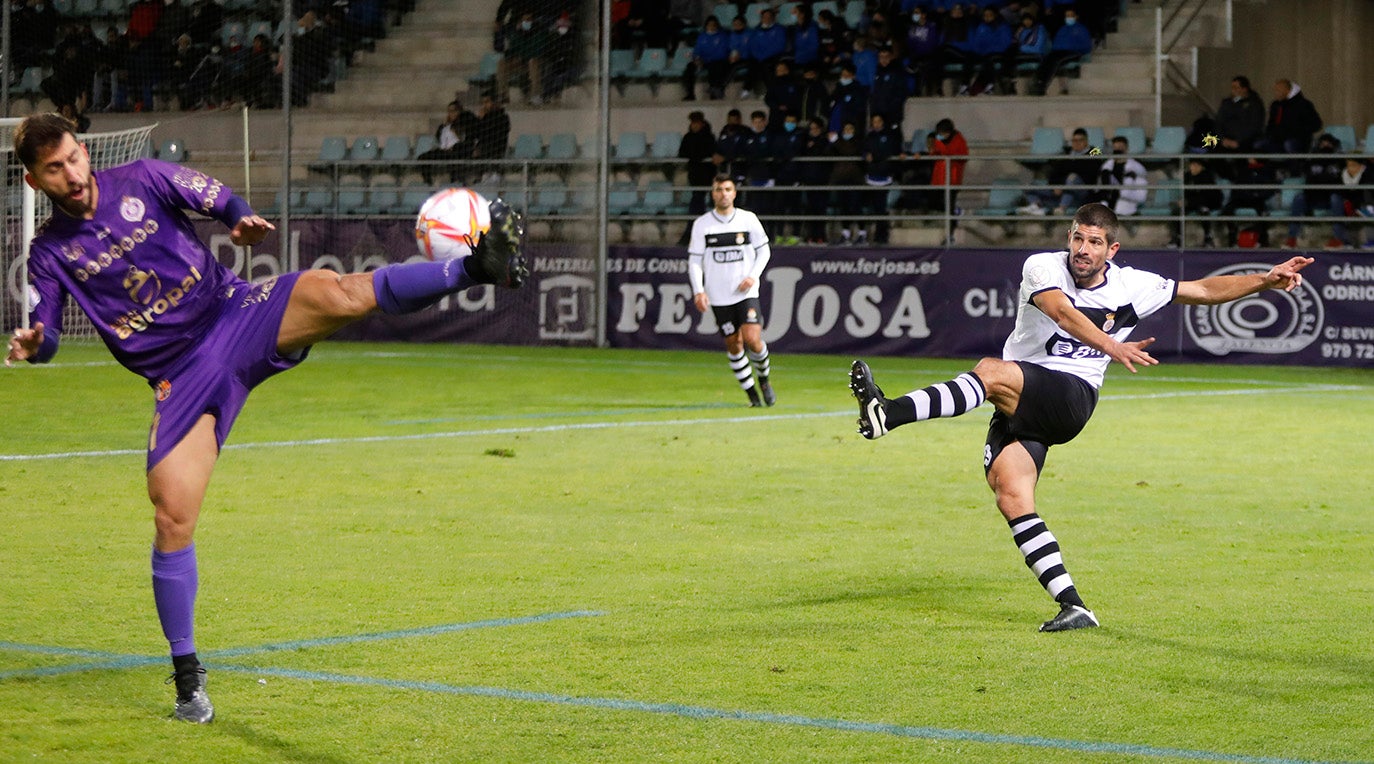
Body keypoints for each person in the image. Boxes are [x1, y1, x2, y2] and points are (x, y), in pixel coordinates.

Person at [5, 112, 528, 723]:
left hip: (235, 313)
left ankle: (474, 268)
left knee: (337, 292)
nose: (71, 174)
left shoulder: (143, 177)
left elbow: (212, 195)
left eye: (73, 157)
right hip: (179, 376)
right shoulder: (49, 252)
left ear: (84, 151)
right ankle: (188, 679)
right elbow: (48, 331)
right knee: (171, 514)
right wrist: (36, 343)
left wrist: (239, 219)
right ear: (33, 180)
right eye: (53, 169)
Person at [848, 203, 1314, 632]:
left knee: (990, 372)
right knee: (1011, 493)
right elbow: (1062, 312)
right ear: (1068, 238)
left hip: (1070, 395)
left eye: (1094, 242)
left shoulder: (1133, 285)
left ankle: (888, 413)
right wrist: (1113, 344)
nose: (1083, 250)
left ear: (1111, 249)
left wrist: (1264, 279)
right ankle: (1074, 606)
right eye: (1077, 239)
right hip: (1026, 397)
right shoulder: (1042, 267)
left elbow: (1205, 289)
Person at [687, 174, 775, 407]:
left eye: (727, 189)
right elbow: (695, 260)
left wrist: (752, 276)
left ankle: (764, 379)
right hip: (718, 295)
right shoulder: (702, 225)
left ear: (734, 193)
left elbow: (764, 251)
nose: (723, 193)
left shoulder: (748, 220)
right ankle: (752, 394)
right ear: (712, 193)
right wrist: (699, 290)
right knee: (734, 344)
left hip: (745, 293)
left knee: (753, 339)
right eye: (718, 189)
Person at [1018, 127, 1097, 216]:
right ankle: (1037, 206)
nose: (1077, 143)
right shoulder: (1066, 153)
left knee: (1072, 178)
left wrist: (1069, 170)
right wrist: (1056, 185)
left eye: (1080, 140)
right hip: (1063, 189)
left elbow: (1087, 171)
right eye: (1074, 141)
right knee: (1029, 186)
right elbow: (1056, 171)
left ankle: (1062, 208)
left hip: (1082, 191)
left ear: (1086, 141)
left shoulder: (1094, 152)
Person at [1032, 6, 1092, 95]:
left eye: (1071, 16)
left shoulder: (1081, 29)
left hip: (1074, 52)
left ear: (1076, 17)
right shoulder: (1062, 29)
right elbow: (1056, 43)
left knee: (1055, 60)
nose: (1069, 18)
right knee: (1047, 59)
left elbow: (1086, 45)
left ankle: (1042, 85)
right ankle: (1038, 81)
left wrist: (1076, 49)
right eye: (1067, 16)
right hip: (1059, 52)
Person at [417, 99, 478, 185]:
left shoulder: (466, 124)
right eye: (449, 111)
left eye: (453, 111)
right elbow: (439, 138)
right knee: (423, 157)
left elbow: (467, 141)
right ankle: (428, 182)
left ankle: (456, 182)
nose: (451, 114)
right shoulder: (444, 126)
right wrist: (443, 127)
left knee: (454, 160)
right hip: (445, 151)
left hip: (458, 151)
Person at [1169, 157, 1222, 248]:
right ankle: (1177, 238)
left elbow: (1207, 196)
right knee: (1177, 211)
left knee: (1203, 210)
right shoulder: (1188, 176)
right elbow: (1187, 193)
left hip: (1209, 202)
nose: (1194, 167)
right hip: (1193, 202)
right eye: (1192, 165)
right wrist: (1183, 201)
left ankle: (1208, 238)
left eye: (1197, 165)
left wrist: (1188, 202)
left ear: (1202, 167)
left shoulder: (1207, 176)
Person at [1262, 79, 1322, 154]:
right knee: (1259, 145)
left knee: (1289, 145)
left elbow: (1316, 124)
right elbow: (1271, 123)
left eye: (1278, 90)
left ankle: (1296, 164)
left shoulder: (1303, 104)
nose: (1275, 93)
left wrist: (1296, 132)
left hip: (1297, 140)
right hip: (1277, 139)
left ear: (1287, 90)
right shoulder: (1276, 105)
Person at [1091, 135, 1148, 216]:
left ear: (1127, 148)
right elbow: (1099, 189)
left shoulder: (1137, 168)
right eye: (1116, 148)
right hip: (1106, 212)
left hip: (1127, 210)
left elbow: (1142, 197)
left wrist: (1122, 193)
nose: (1118, 150)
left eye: (1121, 147)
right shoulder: (1106, 167)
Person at [682, 15, 730, 100]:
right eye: (709, 25)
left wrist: (705, 59)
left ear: (717, 26)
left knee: (715, 67)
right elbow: (697, 50)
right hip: (703, 61)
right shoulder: (702, 36)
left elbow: (722, 53)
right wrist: (697, 58)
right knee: (690, 67)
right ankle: (690, 94)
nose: (711, 27)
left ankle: (714, 94)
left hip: (716, 61)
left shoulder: (722, 36)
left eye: (713, 25)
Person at [1214, 75, 1265, 152]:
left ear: (1244, 89)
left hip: (1245, 141)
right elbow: (1219, 122)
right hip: (1225, 140)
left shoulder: (1255, 104)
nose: (1233, 90)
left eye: (1236, 87)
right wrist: (1222, 139)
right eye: (1232, 87)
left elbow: (1255, 126)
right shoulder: (1227, 103)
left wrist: (1239, 141)